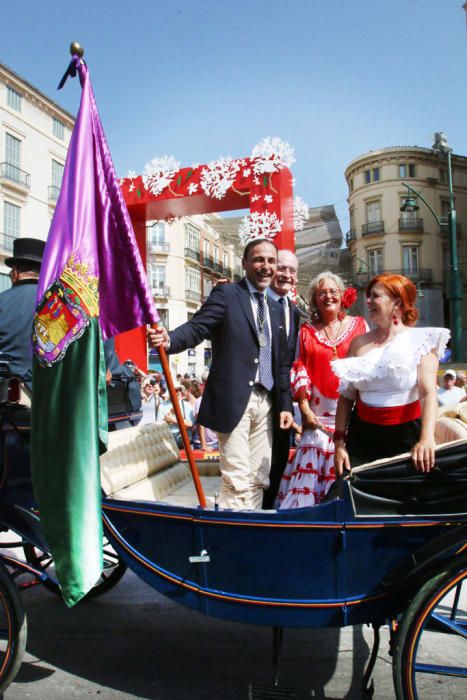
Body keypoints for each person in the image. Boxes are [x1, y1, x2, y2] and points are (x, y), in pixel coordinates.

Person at [148, 238, 293, 510]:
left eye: (271, 261)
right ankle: (232, 535)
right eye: (259, 260)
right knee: (236, 477)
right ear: (245, 264)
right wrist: (169, 341)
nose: (266, 266)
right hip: (234, 400)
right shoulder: (227, 296)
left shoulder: (275, 307)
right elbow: (197, 327)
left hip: (267, 402)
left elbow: (281, 363)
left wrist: (285, 404)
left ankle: (251, 530)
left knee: (259, 477)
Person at [332, 273, 450, 475]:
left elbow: (428, 393)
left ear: (396, 302)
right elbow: (346, 397)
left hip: (408, 439)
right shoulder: (358, 343)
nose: (367, 300)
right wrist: (339, 442)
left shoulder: (422, 340)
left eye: (375, 296)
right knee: (356, 501)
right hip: (362, 441)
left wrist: (427, 438)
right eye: (368, 296)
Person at [276, 272, 368, 508]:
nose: (328, 296)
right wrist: (305, 408)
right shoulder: (306, 332)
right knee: (308, 485)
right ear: (315, 300)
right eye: (322, 293)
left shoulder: (359, 325)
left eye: (333, 291)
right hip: (317, 419)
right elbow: (300, 368)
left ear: (342, 295)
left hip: (354, 417)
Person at [263, 249, 302, 507]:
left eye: (292, 270)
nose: (286, 274)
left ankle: (267, 517)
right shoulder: (254, 301)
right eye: (282, 267)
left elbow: (289, 361)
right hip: (253, 400)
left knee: (277, 462)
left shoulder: (295, 311)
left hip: (282, 403)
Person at [0, 237, 45, 393]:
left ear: (16, 272)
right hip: (50, 398)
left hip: (9, 395)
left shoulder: (2, 301)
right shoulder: (58, 304)